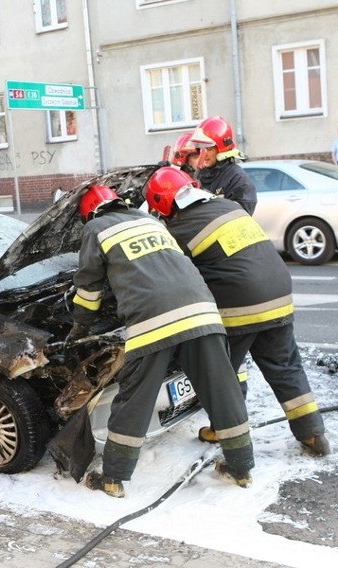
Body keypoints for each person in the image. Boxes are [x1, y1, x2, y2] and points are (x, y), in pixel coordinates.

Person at [68, 185, 255, 497]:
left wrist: (78, 329)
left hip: (153, 321)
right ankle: (241, 467)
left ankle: (113, 478)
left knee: (135, 399)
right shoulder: (151, 221)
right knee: (222, 390)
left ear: (90, 211)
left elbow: (89, 290)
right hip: (202, 311)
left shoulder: (95, 228)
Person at [145, 167, 330, 456]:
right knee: (284, 365)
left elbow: (171, 277)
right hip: (279, 293)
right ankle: (312, 433)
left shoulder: (177, 229)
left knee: (223, 372)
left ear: (163, 204)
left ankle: (226, 432)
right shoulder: (228, 206)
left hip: (240, 303)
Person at [190, 116, 257, 215]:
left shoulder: (237, 178)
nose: (204, 154)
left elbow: (241, 215)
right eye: (200, 149)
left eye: (208, 148)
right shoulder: (199, 175)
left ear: (221, 149)